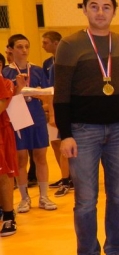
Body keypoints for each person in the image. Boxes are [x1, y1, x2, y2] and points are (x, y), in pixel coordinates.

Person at [54, 0, 119, 255]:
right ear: (85, 9)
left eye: (106, 7)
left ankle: (116, 250)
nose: (100, 12)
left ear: (114, 11)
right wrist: (65, 134)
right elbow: (61, 94)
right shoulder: (69, 44)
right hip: (83, 132)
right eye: (94, 6)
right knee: (86, 200)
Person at [2, 34, 57, 213]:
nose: (24, 50)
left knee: (40, 156)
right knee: (21, 158)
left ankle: (44, 196)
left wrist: (50, 112)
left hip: (36, 116)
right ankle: (24, 198)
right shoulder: (6, 73)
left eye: (27, 46)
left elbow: (48, 95)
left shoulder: (38, 70)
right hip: (17, 117)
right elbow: (5, 98)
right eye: (19, 47)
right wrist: (19, 90)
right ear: (10, 49)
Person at [41, 31, 72, 197]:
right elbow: (50, 90)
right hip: (54, 107)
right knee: (56, 143)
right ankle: (65, 177)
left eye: (45, 42)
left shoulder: (69, 61)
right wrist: (49, 109)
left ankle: (70, 178)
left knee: (65, 143)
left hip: (66, 109)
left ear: (56, 43)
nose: (43, 46)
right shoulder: (48, 64)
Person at [0, 70, 22, 237]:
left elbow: (2, 102)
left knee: (3, 172)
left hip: (2, 130)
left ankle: (8, 215)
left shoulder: (3, 81)